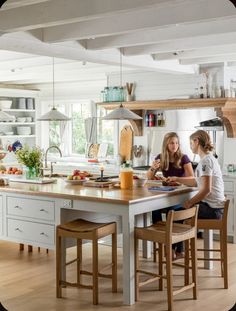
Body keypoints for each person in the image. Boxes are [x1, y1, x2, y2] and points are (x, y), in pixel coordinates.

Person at [147, 132, 194, 258]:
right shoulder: (161, 157)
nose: (175, 145)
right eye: (172, 143)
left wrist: (177, 179)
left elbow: (192, 177)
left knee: (172, 211)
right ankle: (162, 242)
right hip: (167, 193)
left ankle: (172, 247)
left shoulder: (184, 158)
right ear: (166, 144)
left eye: (177, 143)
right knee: (155, 210)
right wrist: (152, 168)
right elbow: (149, 177)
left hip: (181, 194)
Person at [168, 130, 225, 219]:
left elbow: (206, 190)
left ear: (196, 141)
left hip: (213, 210)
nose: (190, 146)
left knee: (173, 216)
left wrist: (189, 203)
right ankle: (189, 232)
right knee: (178, 211)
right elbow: (196, 182)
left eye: (191, 143)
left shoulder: (206, 161)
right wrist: (176, 179)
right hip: (215, 208)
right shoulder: (209, 158)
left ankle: (185, 232)